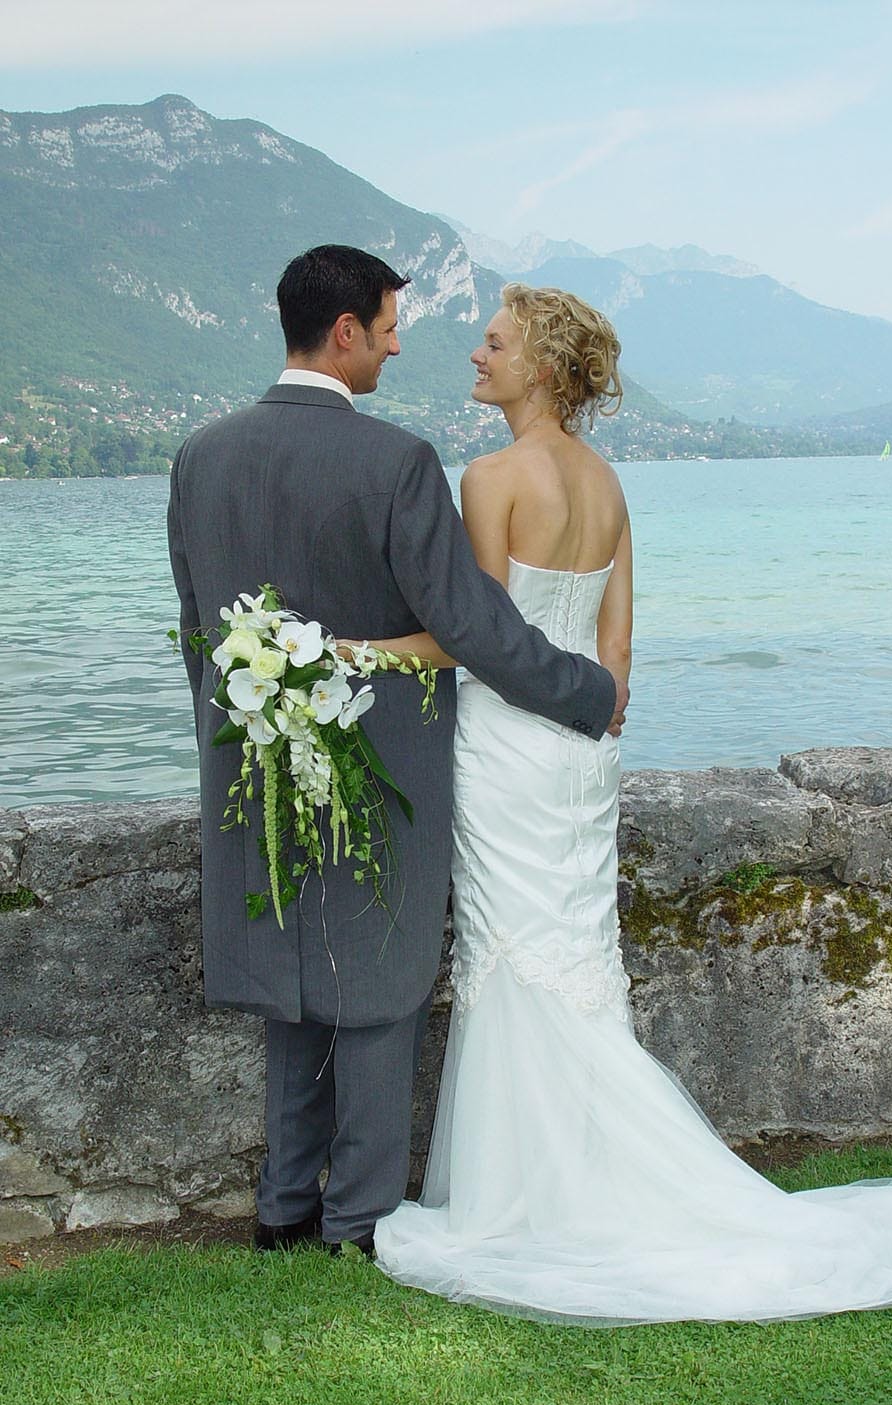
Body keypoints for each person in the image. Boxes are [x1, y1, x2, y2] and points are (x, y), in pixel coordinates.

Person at [371, 283, 892, 1324]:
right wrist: (589, 716)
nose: (475, 352)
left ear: (541, 365)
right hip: (578, 757)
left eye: (494, 342)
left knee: (510, 956)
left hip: (506, 749)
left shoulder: (488, 477)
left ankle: (519, 1197)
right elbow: (615, 656)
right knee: (568, 955)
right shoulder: (609, 483)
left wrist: (348, 649)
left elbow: (476, 634)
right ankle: (582, 1174)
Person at [167, 247, 626, 1258]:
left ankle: (284, 1203)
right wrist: (586, 691)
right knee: (376, 984)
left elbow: (199, 628)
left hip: (255, 761)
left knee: (289, 982)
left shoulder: (198, 453)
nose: (398, 341)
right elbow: (468, 621)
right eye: (386, 324)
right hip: (388, 773)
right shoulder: (395, 462)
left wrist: (247, 731)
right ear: (343, 333)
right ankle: (358, 1218)